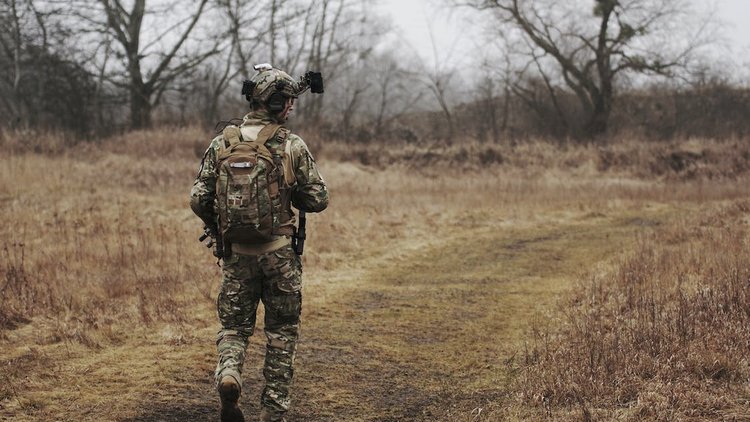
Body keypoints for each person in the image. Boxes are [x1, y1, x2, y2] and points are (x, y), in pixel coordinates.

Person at [190, 64, 328, 422]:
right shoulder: (290, 144)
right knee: (281, 333)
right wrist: (290, 191)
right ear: (279, 103)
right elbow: (318, 199)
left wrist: (217, 227)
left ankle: (230, 374)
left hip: (236, 255)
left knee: (234, 327)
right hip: (279, 255)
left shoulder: (224, 141)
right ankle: (272, 411)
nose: (292, 109)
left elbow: (197, 197)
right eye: (289, 102)